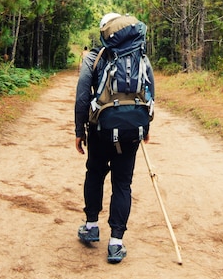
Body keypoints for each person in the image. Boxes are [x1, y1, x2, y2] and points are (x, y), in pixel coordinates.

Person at [74, 13, 155, 264]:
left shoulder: (92, 58)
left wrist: (80, 131)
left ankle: (91, 226)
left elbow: (81, 98)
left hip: (100, 130)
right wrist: (146, 128)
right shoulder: (141, 57)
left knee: (95, 174)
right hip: (132, 132)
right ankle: (116, 243)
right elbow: (150, 91)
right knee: (122, 184)